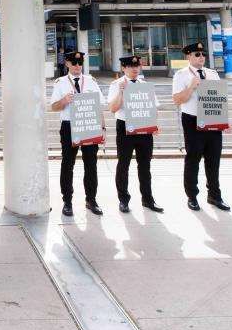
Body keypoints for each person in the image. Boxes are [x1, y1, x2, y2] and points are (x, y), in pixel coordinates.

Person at [172, 42, 229, 212]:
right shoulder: (181, 75)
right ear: (188, 57)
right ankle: (192, 196)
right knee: (193, 159)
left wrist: (224, 120)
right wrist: (192, 86)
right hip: (192, 120)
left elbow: (218, 97)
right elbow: (177, 100)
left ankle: (214, 195)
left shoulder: (212, 74)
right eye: (197, 54)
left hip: (212, 119)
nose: (201, 57)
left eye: (203, 54)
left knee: (214, 160)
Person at [49, 51, 103, 216]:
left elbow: (99, 106)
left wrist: (103, 128)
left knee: (91, 164)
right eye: (74, 63)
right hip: (69, 126)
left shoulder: (92, 82)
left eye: (80, 63)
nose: (77, 66)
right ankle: (67, 201)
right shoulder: (60, 83)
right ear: (67, 64)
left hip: (88, 125)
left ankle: (91, 200)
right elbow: (53, 107)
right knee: (68, 165)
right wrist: (63, 101)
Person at [108, 56, 163, 214]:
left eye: (137, 66)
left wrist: (154, 124)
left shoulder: (145, 85)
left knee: (145, 166)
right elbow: (113, 108)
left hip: (144, 127)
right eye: (131, 66)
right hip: (125, 127)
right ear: (123, 68)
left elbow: (153, 106)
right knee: (123, 164)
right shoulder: (117, 84)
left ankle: (148, 199)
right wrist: (122, 92)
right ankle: (123, 199)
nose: (134, 69)